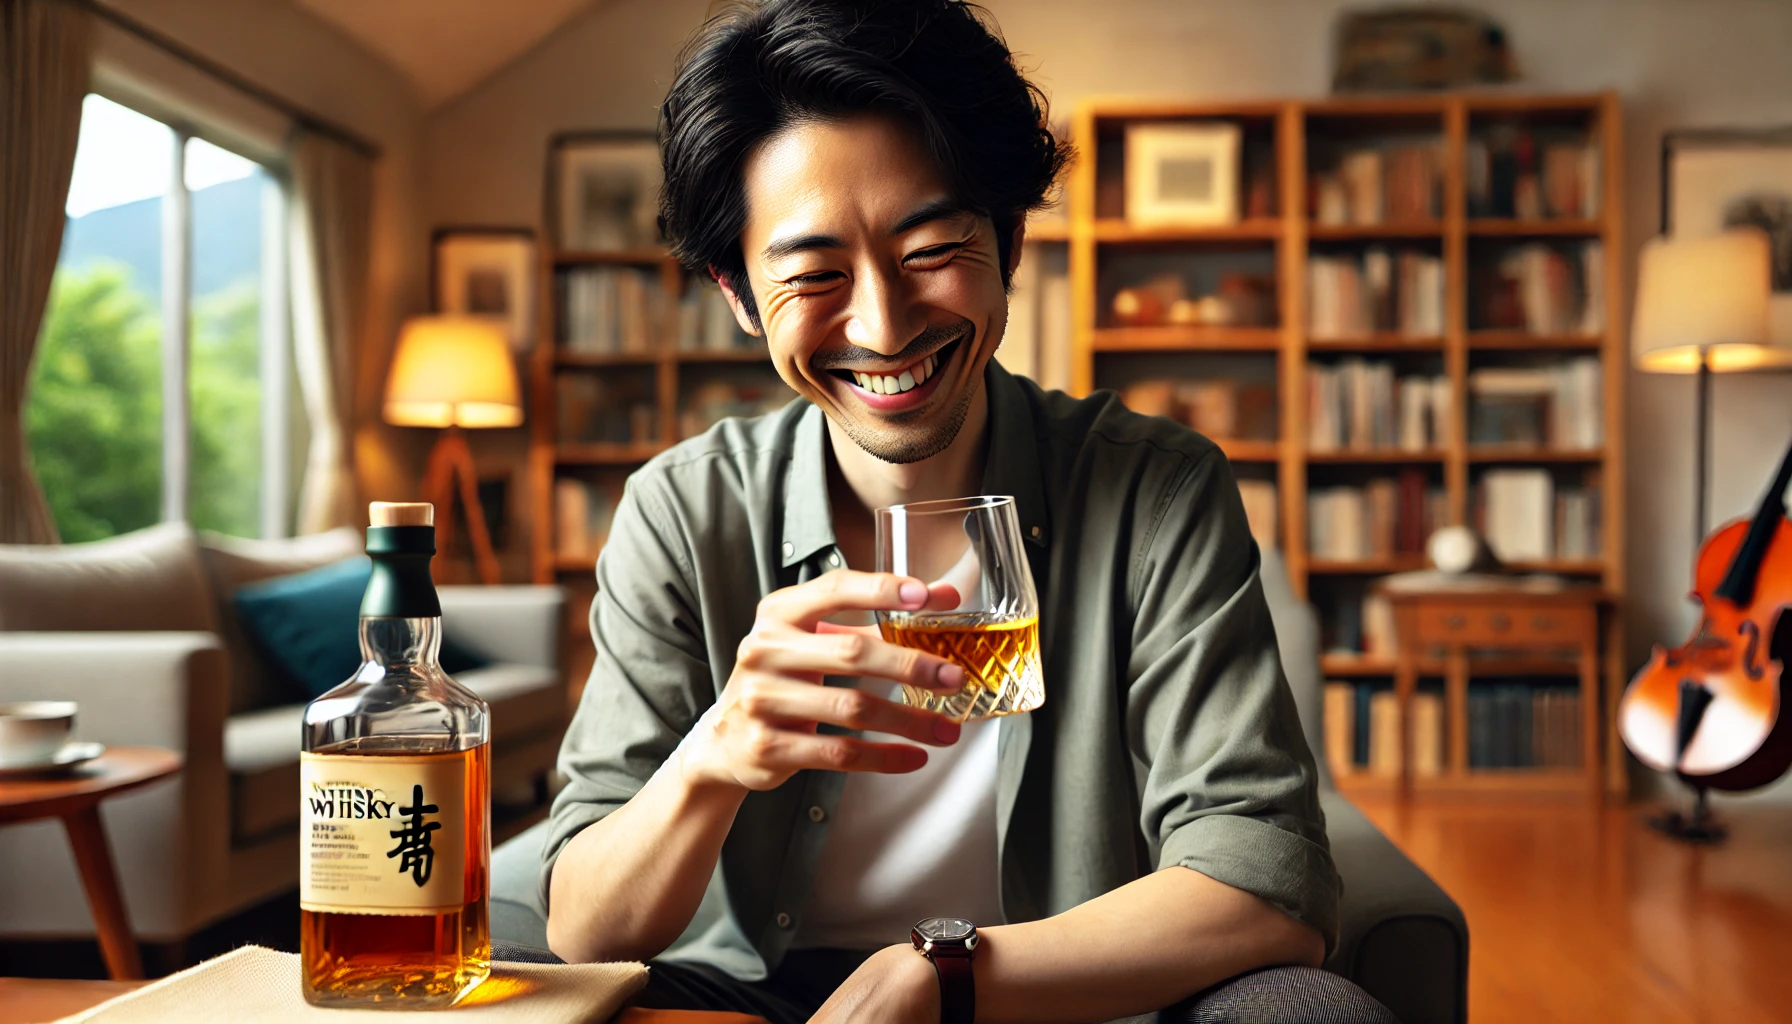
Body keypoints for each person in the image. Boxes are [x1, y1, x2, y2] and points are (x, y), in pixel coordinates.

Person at [541, 2, 1391, 1021]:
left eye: (932, 248)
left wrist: (943, 972)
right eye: (813, 276)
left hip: (1057, 990)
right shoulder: (683, 509)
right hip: (759, 998)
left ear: (1011, 237)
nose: (883, 326)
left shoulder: (1154, 489)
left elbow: (1267, 880)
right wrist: (715, 753)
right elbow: (583, 927)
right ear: (734, 294)